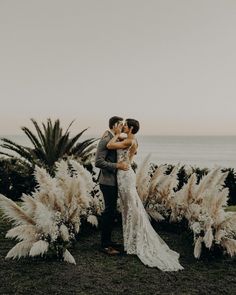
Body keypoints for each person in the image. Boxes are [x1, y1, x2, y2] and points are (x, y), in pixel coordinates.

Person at [106, 118, 184, 271]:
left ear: (132, 128)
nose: (123, 127)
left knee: (132, 209)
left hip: (125, 176)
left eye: (126, 125)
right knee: (128, 209)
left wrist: (114, 134)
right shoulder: (129, 139)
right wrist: (116, 133)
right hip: (122, 176)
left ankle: (136, 241)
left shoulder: (129, 141)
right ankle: (131, 242)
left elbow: (110, 145)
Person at [95, 116, 129, 255]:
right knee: (108, 212)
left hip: (113, 182)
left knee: (111, 212)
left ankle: (108, 241)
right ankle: (104, 245)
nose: (122, 127)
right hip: (107, 182)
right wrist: (118, 166)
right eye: (120, 125)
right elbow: (98, 162)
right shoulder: (105, 139)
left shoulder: (113, 137)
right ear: (114, 125)